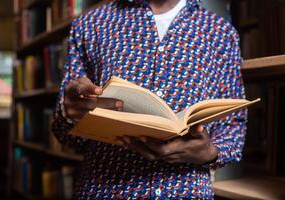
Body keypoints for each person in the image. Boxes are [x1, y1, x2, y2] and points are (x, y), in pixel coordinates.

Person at [52, 0, 247, 199]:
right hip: (103, 191)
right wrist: (68, 115)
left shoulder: (221, 33)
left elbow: (233, 126)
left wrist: (210, 152)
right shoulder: (89, 25)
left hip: (187, 192)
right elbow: (66, 136)